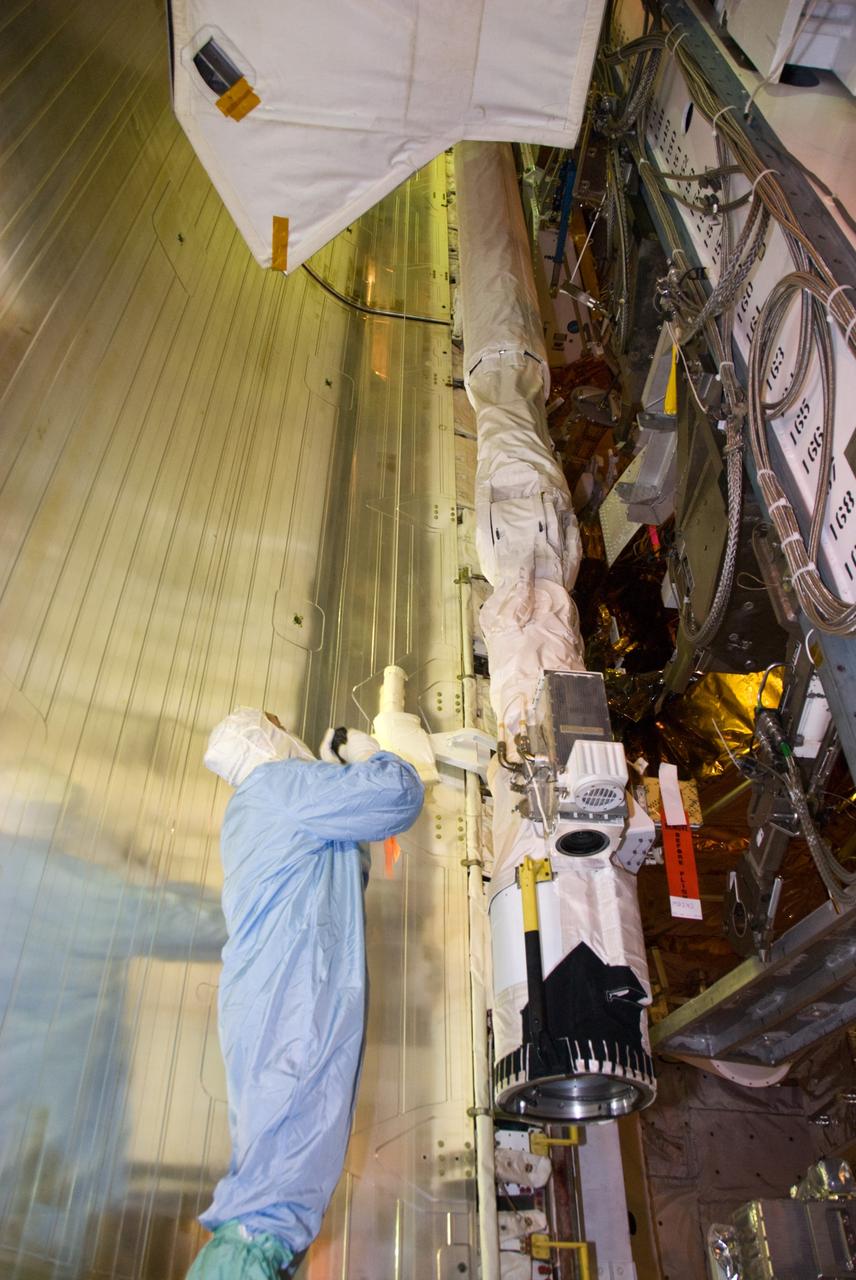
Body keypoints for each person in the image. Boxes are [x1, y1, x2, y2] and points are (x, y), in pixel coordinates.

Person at [187, 707, 424, 1279]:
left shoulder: (262, 807)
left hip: (282, 993)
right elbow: (397, 796)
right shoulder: (273, 787)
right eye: (275, 723)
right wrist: (370, 756)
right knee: (272, 1190)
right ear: (264, 741)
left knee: (279, 1168)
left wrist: (331, 773)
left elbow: (344, 869)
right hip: (292, 1000)